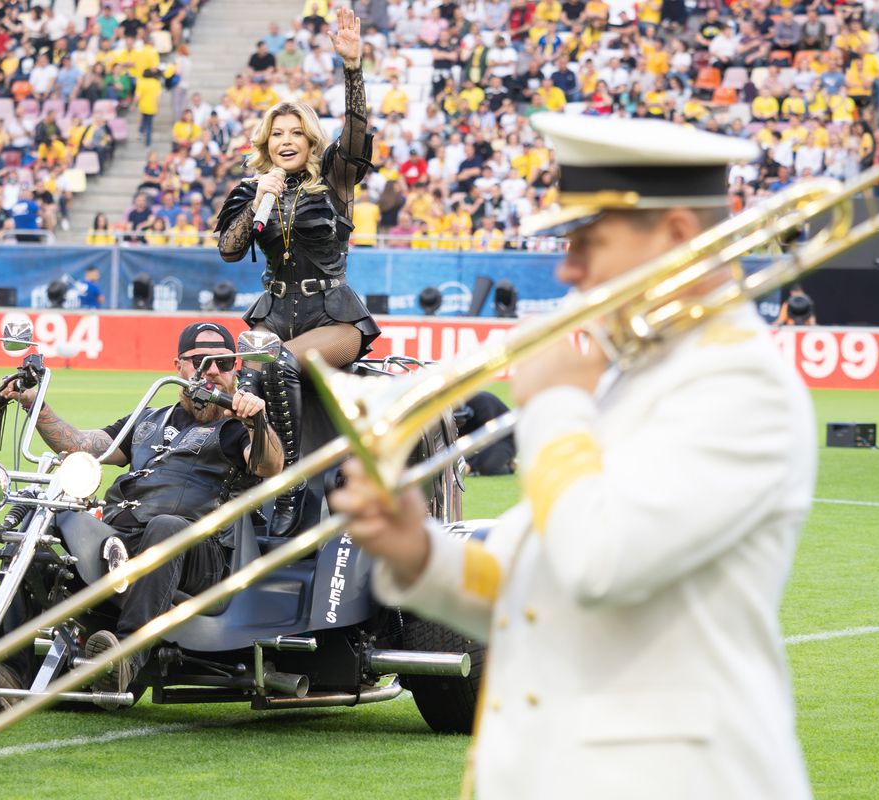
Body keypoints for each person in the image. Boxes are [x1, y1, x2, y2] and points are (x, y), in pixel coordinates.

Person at [330, 114, 817, 799]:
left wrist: (556, 405)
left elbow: (598, 561)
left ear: (677, 236)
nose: (568, 268)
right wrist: (416, 551)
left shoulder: (743, 387)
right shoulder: (635, 372)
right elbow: (540, 579)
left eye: (589, 241)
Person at [2, 322, 283, 696]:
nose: (212, 371)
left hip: (203, 553)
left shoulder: (238, 429)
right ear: (178, 367)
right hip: (124, 538)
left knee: (167, 525)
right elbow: (83, 444)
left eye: (223, 363)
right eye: (200, 361)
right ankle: (7, 670)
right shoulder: (150, 419)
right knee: (40, 524)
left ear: (236, 370)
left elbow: (269, 466)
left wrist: (257, 422)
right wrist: (32, 401)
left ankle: (126, 658)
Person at [215, 8, 380, 536]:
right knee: (246, 373)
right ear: (266, 142)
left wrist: (352, 70)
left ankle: (291, 489)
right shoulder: (252, 190)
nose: (286, 140)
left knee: (278, 362)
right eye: (277, 133)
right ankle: (241, 482)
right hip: (274, 309)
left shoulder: (335, 180)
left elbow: (356, 136)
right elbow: (228, 250)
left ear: (310, 141)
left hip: (331, 315)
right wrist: (257, 200)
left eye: (296, 133)